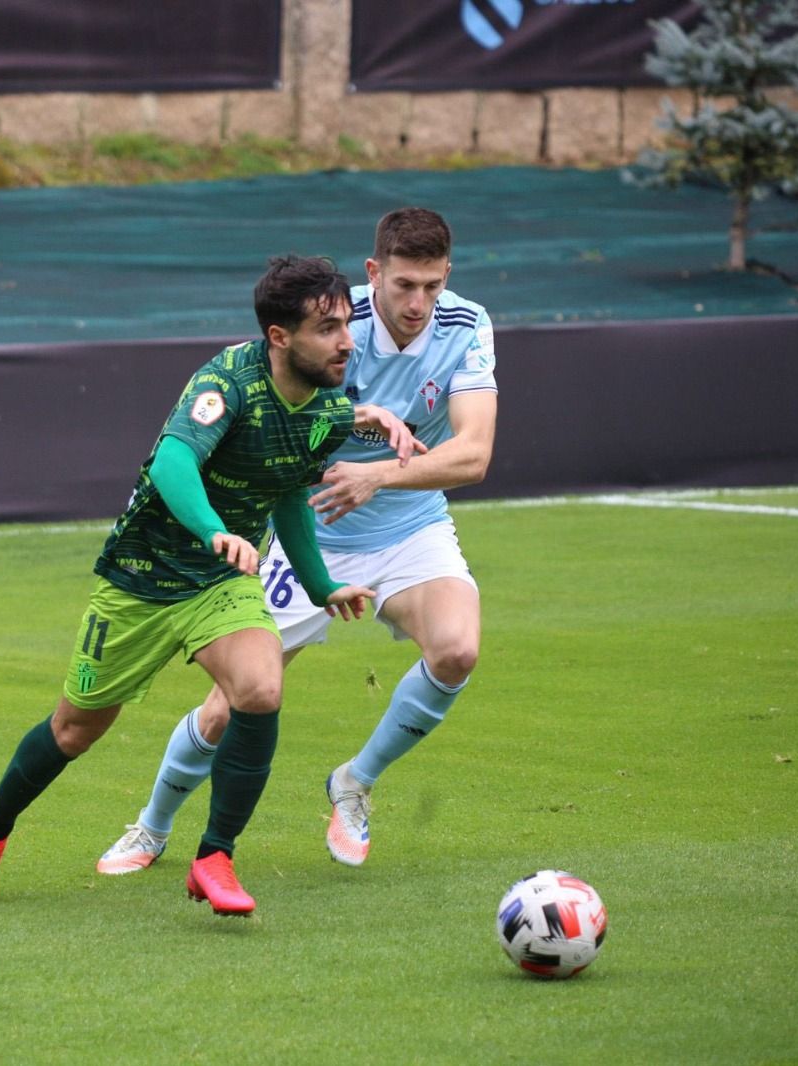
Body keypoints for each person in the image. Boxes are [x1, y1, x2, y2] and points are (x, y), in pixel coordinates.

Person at [0, 254, 424, 915]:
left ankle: (214, 857)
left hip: (220, 583)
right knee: (74, 730)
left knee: (259, 688)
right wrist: (212, 530)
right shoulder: (228, 378)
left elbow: (287, 492)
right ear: (280, 337)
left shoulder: (325, 406)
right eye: (327, 328)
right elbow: (173, 459)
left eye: (346, 324)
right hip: (141, 578)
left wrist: (321, 585)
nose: (346, 340)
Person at [95, 207, 497, 875]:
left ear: (447, 276)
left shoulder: (467, 324)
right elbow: (272, 403)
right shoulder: (335, 321)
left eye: (432, 285)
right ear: (375, 274)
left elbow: (474, 454)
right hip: (306, 523)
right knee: (232, 703)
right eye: (403, 285)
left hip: (409, 522)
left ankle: (354, 782)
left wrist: (375, 477)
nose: (418, 303)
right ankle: (152, 825)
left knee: (458, 649)